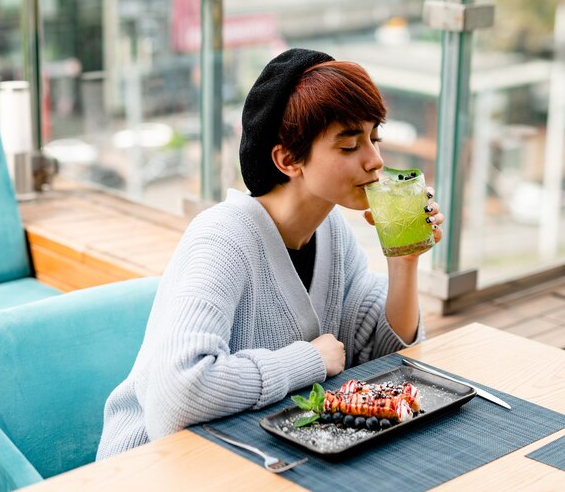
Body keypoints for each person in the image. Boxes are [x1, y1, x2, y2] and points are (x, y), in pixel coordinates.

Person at [96, 48, 444, 460]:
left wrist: (402, 262)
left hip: (253, 454)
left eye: (374, 137)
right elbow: (178, 394)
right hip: (151, 469)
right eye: (349, 146)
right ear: (286, 159)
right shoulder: (222, 238)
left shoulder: (331, 231)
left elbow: (383, 355)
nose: (375, 160)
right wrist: (308, 362)